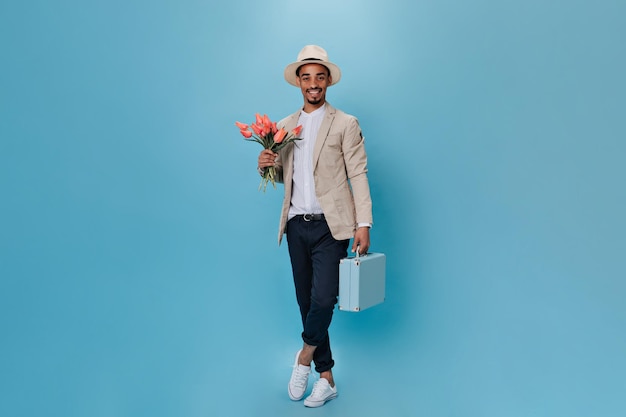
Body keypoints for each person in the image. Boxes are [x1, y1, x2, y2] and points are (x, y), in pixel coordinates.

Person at [257, 45, 373, 408]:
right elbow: (281, 176)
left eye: (319, 77)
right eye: (306, 78)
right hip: (295, 225)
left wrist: (363, 222)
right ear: (298, 82)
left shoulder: (345, 123)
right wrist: (265, 164)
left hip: (331, 226)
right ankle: (327, 379)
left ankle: (304, 358)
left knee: (324, 299)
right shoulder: (285, 126)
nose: (313, 84)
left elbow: (358, 173)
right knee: (306, 303)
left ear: (327, 82)